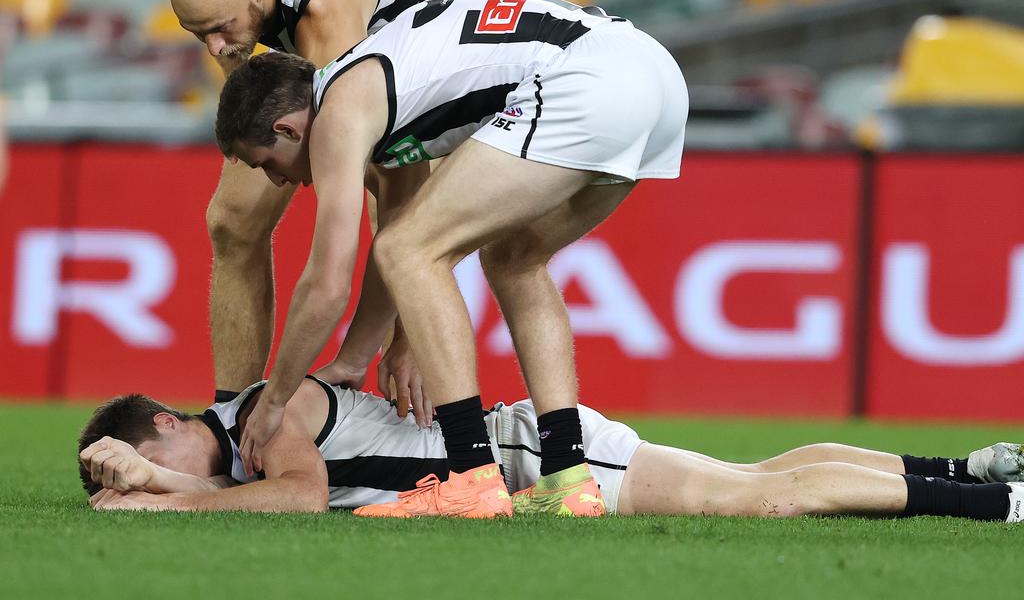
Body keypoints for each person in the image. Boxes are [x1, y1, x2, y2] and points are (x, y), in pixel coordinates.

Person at [214, 0, 689, 517]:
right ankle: (567, 477)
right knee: (513, 260)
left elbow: (329, 283)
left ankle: (471, 475)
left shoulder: (337, 112)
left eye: (266, 163)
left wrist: (275, 399)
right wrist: (354, 359)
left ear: (288, 128)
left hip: (587, 80)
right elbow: (395, 230)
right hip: (653, 74)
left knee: (411, 250)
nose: (279, 179)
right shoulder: (376, 96)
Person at [155, 0, 475, 417]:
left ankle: (425, 411)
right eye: (197, 32)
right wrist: (231, 45)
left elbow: (398, 182)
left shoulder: (326, 12)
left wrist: (405, 330)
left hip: (418, 14)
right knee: (233, 220)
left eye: (221, 29)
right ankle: (233, 425)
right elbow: (234, 52)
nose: (216, 48)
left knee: (397, 215)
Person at [78, 377, 1024, 523]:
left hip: (531, 458)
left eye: (136, 451)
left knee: (753, 499)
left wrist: (163, 493)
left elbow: (295, 497)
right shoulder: (247, 427)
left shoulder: (261, 411)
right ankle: (971, 471)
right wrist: (165, 483)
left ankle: (1000, 508)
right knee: (762, 473)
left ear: (164, 425)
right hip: (524, 443)